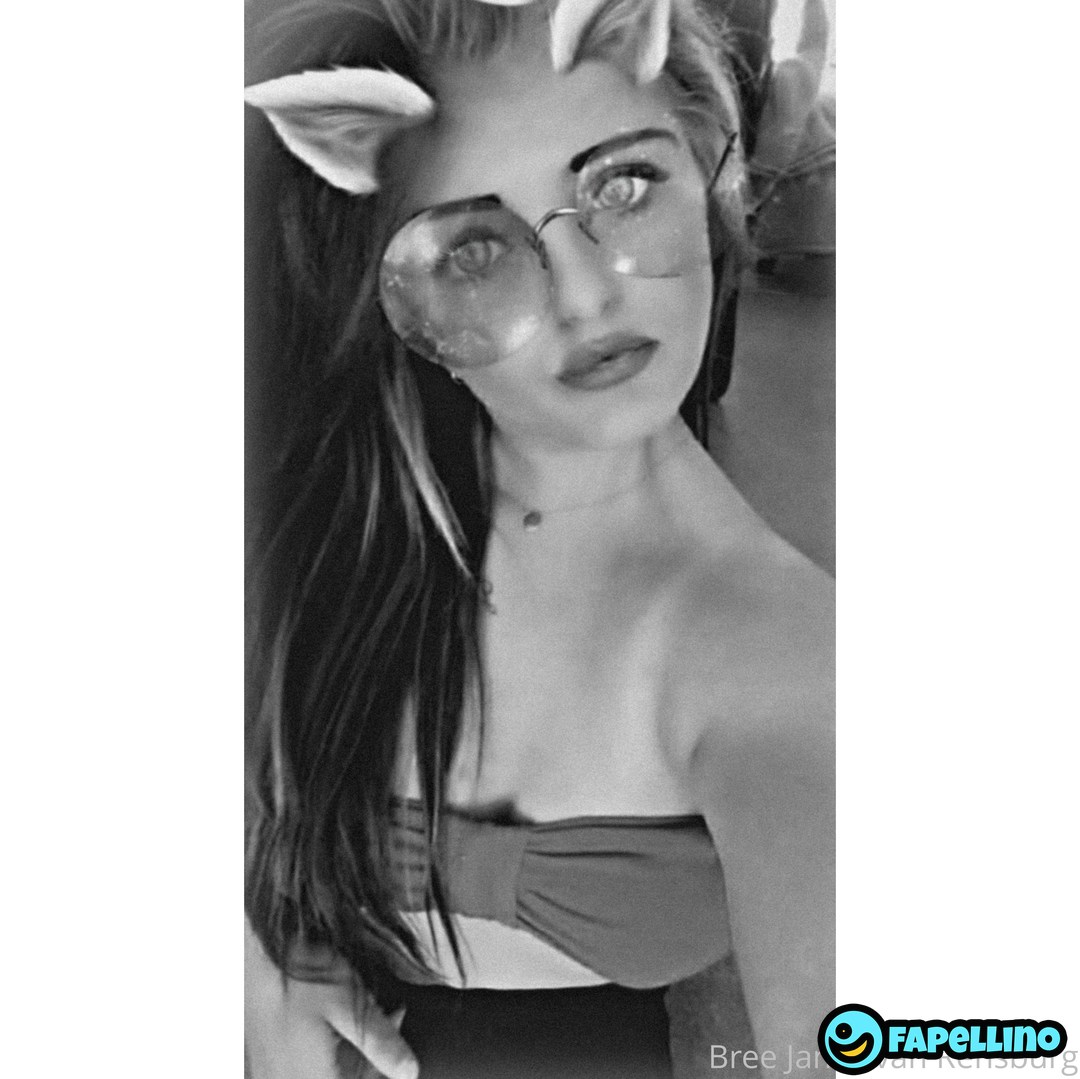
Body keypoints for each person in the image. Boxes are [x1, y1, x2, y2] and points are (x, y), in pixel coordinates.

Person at [243, 1, 834, 1076]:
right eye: (476, 248)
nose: (587, 293)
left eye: (623, 186)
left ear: (705, 166)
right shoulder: (306, 483)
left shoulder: (789, 661)